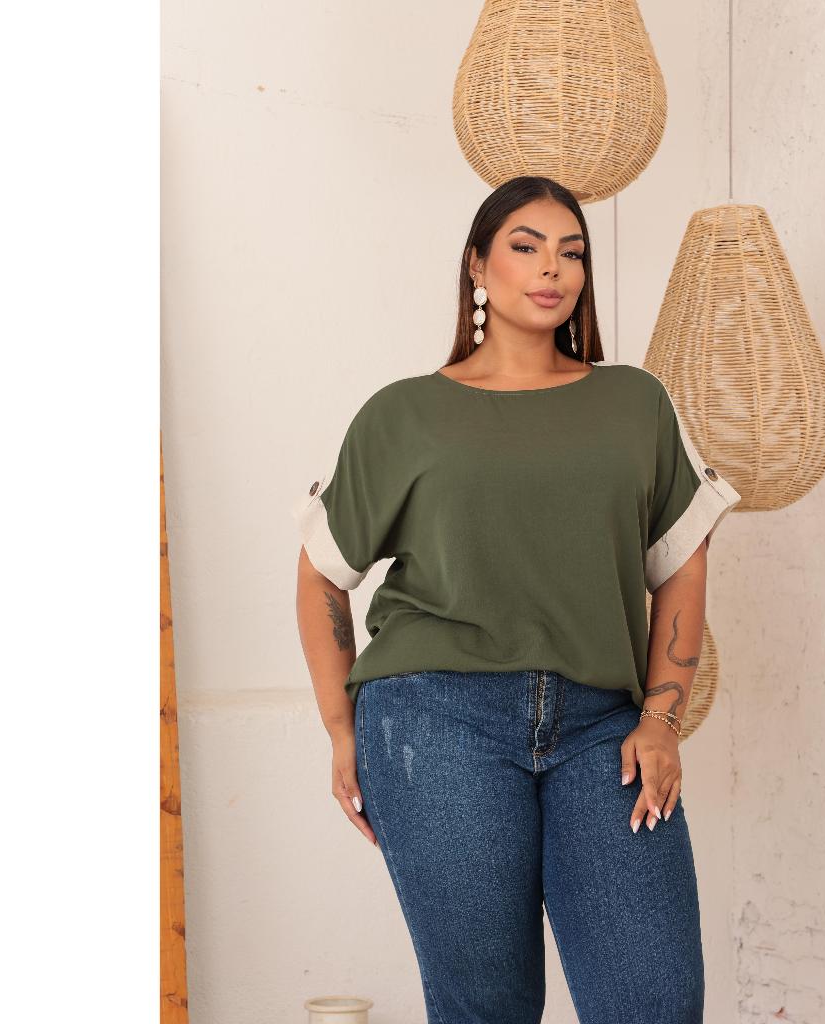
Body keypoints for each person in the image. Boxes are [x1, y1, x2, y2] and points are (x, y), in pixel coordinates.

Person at [293, 175, 741, 1023]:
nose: (552, 268)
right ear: (477, 266)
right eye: (526, 247)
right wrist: (341, 729)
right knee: (487, 1008)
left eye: (572, 252)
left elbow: (682, 560)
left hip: (603, 728)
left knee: (654, 1001)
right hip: (434, 721)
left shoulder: (634, 402)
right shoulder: (404, 414)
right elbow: (321, 572)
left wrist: (661, 718)